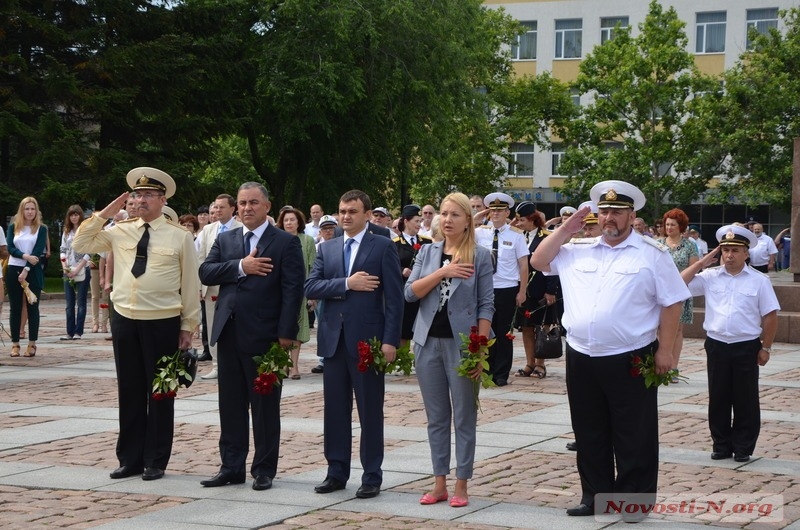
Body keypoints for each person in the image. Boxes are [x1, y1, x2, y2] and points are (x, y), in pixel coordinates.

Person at [531, 180, 690, 518]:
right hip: (582, 354)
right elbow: (537, 261)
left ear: (632, 215)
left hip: (631, 352)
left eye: (617, 212)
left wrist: (665, 351)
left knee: (634, 432)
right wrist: (566, 229)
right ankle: (595, 496)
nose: (609, 218)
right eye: (604, 212)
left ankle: (634, 501)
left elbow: (673, 302)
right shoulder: (577, 249)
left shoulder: (652, 254)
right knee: (589, 430)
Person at [73, 167, 201, 481]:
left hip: (163, 322)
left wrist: (188, 326)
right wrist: (107, 211)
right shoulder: (120, 230)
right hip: (125, 320)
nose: (140, 200)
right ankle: (129, 458)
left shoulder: (180, 236)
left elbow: (189, 284)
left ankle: (156, 459)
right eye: (136, 194)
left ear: (162, 199)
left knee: (161, 390)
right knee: (129, 390)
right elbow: (82, 242)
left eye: (147, 195)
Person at [198, 182, 305, 491]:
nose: (247, 208)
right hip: (229, 332)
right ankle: (231, 466)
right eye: (242, 203)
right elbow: (207, 272)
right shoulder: (227, 238)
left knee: (264, 406)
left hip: (266, 337)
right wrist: (241, 267)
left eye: (254, 202)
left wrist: (286, 334)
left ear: (267, 206)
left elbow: (292, 290)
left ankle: (264, 469)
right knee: (230, 405)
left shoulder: (285, 242)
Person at [305, 189, 403, 499]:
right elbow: (311, 286)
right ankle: (336, 472)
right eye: (342, 210)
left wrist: (390, 341)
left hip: (368, 342)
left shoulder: (383, 246)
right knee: (335, 411)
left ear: (365, 214)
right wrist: (348, 283)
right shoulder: (327, 248)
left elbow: (395, 299)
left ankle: (372, 474)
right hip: (333, 341)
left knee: (370, 409)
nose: (345, 216)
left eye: (352, 211)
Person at [404, 192, 494, 508]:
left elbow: (486, 305)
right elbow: (410, 293)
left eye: (455, 214)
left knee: (464, 417)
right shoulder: (427, 252)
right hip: (427, 342)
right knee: (437, 417)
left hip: (463, 345)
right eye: (444, 213)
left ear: (468, 219)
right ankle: (439, 482)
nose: (448, 219)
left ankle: (461, 485)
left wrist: (479, 351)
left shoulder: (480, 255)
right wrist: (443, 271)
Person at [681, 225, 779, 463]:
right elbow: (679, 283)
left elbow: (770, 315)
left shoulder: (759, 281)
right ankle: (721, 444)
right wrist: (703, 261)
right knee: (718, 397)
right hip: (717, 344)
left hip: (746, 345)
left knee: (745, 398)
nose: (729, 255)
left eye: (735, 250)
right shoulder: (710, 276)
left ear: (746, 254)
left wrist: (765, 347)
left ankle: (743, 446)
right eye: (725, 250)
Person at [475, 192, 528, 386]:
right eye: (493, 210)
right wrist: (477, 217)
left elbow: (523, 264)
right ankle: (485, 371)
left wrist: (522, 291)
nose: (496, 214)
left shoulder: (516, 235)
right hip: (485, 288)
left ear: (508, 212)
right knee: (485, 332)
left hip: (507, 288)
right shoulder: (480, 232)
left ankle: (501, 374)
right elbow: (462, 232)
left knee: (504, 333)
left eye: (500, 210)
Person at [196, 194, 242, 377]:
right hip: (211, 286)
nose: (216, 211)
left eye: (221, 207)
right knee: (212, 325)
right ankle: (217, 365)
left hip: (234, 284)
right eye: (215, 207)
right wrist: (200, 286)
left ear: (232, 209)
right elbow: (201, 259)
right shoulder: (207, 230)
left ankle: (234, 361)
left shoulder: (242, 228)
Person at [512, 202, 560, 379]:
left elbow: (552, 265)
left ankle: (540, 364)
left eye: (522, 220)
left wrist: (551, 291)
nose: (519, 224)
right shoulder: (519, 237)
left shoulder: (547, 237)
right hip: (524, 289)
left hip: (542, 289)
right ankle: (529, 362)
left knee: (542, 327)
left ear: (532, 219)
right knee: (526, 327)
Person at [276, 207, 317, 379]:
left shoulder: (306, 240)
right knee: (281, 328)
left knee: (297, 329)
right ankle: (283, 363)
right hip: (278, 292)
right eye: (286, 220)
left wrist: (312, 294)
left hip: (300, 291)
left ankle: (294, 366)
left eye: (292, 220)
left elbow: (313, 267)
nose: (289, 223)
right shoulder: (277, 240)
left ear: (299, 222)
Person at [658, 208, 699, 373]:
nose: (669, 228)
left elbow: (694, 268)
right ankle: (658, 364)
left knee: (677, 330)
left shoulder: (690, 245)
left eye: (672, 225)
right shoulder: (658, 244)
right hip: (660, 291)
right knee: (658, 329)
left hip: (680, 291)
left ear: (680, 226)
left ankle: (673, 367)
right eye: (667, 224)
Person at [6, 197, 48, 358]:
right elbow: (10, 247)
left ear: (36, 211)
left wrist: (27, 268)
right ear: (22, 210)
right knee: (15, 307)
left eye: (32, 209)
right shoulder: (14, 227)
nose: (30, 212)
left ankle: (32, 343)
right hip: (14, 268)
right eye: (27, 209)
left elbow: (37, 251)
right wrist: (24, 256)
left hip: (33, 269)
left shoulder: (41, 229)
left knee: (32, 307)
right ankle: (15, 343)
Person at [393, 204, 433, 346]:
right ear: (406, 221)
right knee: (404, 329)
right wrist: (401, 270)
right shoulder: (394, 244)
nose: (419, 224)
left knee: (422, 328)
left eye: (420, 221)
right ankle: (402, 362)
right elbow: (389, 266)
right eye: (416, 221)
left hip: (423, 291)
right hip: (403, 292)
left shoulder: (427, 242)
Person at [60, 204, 92, 341]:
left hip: (82, 269)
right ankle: (69, 331)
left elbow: (89, 251)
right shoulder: (66, 232)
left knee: (81, 302)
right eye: (71, 215)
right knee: (69, 304)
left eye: (76, 214)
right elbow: (62, 250)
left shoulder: (84, 231)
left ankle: (78, 331)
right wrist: (65, 267)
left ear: (80, 216)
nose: (74, 217)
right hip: (68, 269)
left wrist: (78, 268)